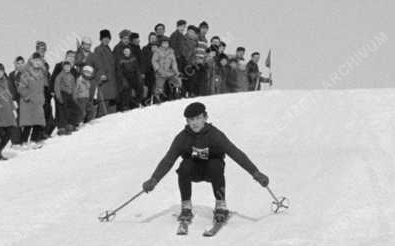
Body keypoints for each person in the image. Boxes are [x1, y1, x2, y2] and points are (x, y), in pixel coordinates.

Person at [141, 101, 269, 227]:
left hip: (212, 170)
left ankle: (221, 205)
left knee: (215, 165)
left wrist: (255, 172)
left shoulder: (215, 135)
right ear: (187, 121)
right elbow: (168, 160)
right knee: (184, 166)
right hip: (194, 170)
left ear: (205, 118)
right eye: (191, 119)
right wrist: (154, 179)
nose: (194, 123)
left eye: (198, 118)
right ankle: (186, 206)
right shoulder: (182, 138)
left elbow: (235, 153)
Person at [17, 54, 47, 147]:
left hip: (38, 102)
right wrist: (28, 96)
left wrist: (42, 98)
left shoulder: (42, 73)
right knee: (28, 124)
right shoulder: (26, 73)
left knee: (38, 122)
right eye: (35, 61)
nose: (37, 63)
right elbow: (21, 88)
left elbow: (42, 88)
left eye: (39, 61)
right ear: (31, 61)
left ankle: (34, 140)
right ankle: (24, 142)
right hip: (28, 103)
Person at [0, 63, 18, 160]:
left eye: (1, 71)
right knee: (0, 134)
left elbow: (9, 96)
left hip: (7, 111)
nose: (0, 73)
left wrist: (13, 109)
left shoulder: (5, 81)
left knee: (9, 133)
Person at [90, 29, 118, 116]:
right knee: (104, 106)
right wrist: (101, 75)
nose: (106, 40)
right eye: (104, 38)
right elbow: (98, 64)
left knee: (112, 107)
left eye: (108, 38)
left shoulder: (109, 50)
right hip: (104, 82)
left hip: (112, 82)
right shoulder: (98, 49)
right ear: (101, 39)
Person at [53, 55, 79, 135]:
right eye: (66, 67)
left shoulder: (71, 76)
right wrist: (58, 96)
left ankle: (70, 125)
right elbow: (56, 85)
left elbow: (74, 87)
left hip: (70, 94)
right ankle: (62, 127)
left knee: (72, 109)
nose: (67, 68)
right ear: (63, 67)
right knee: (62, 111)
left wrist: (74, 96)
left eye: (69, 67)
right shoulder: (60, 75)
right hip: (62, 93)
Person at [152, 35, 180, 101]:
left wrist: (176, 71)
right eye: (163, 43)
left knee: (176, 81)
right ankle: (157, 97)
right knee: (159, 84)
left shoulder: (171, 52)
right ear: (161, 44)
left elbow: (174, 62)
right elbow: (154, 61)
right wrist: (158, 69)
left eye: (166, 43)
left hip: (168, 71)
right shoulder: (157, 51)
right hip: (160, 72)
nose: (165, 44)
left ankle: (176, 93)